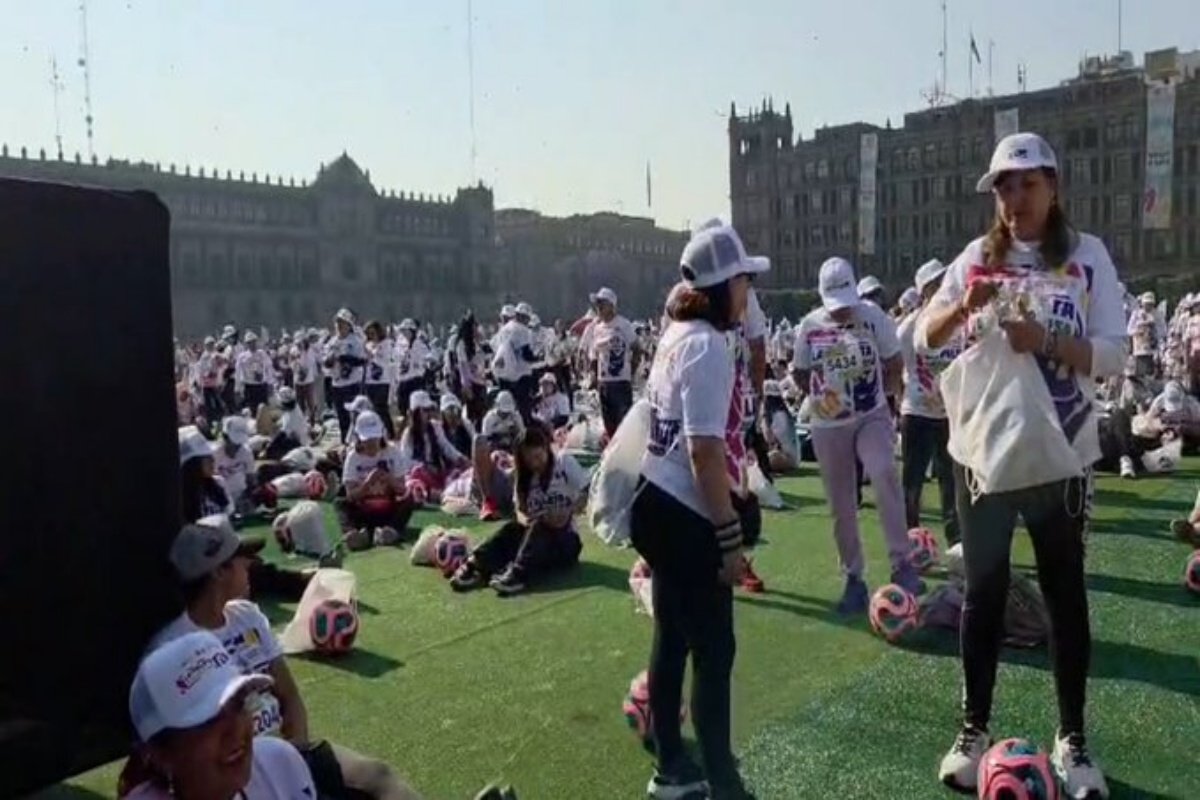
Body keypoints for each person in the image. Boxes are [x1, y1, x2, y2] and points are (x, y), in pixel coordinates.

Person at [921, 132, 1124, 797]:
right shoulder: (977, 257)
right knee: (984, 594)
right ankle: (972, 730)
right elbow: (924, 335)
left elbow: (1114, 354)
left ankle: (1074, 738)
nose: (1014, 198)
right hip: (983, 454)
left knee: (1065, 594)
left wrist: (1047, 341)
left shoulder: (1088, 257)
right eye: (1003, 187)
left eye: (1027, 183)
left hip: (1061, 450)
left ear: (1053, 186)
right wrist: (964, 305)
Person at [145, 517, 423, 800]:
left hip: (283, 756)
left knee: (378, 778)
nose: (251, 564)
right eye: (243, 559)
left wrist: (295, 757)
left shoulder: (247, 616)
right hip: (231, 771)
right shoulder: (171, 650)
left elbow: (289, 696)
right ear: (219, 571)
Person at [630, 222, 765, 800]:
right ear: (726, 284)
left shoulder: (676, 334)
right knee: (714, 649)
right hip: (685, 511)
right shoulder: (708, 345)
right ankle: (721, 780)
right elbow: (704, 452)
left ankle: (672, 767)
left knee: (671, 639)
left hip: (655, 500)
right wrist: (729, 538)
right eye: (745, 281)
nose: (749, 292)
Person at [792, 256, 923, 613]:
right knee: (841, 503)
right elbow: (799, 372)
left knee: (883, 471)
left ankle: (902, 563)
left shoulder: (873, 317)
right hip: (827, 423)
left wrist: (885, 398)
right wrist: (822, 395)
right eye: (835, 305)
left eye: (846, 303)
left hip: (870, 413)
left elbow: (894, 363)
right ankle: (853, 577)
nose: (841, 312)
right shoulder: (809, 326)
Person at [121, 631, 316, 799]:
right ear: (161, 755)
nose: (235, 728)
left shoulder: (280, 764)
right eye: (208, 720)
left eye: (238, 703)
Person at [449, 423, 586, 595]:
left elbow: (586, 492)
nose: (535, 464)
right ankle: (475, 565)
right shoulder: (525, 479)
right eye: (529, 461)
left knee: (540, 526)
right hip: (536, 539)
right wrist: (527, 521)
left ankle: (518, 575)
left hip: (566, 540)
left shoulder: (563, 462)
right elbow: (520, 511)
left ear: (546, 449)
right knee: (512, 529)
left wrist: (567, 512)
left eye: (538, 457)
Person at [897, 258, 962, 546]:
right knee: (912, 482)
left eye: (944, 281)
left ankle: (956, 540)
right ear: (924, 291)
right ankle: (909, 538)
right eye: (936, 284)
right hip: (917, 412)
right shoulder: (908, 329)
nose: (942, 288)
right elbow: (900, 368)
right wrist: (905, 399)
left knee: (951, 480)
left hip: (950, 414)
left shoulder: (957, 323)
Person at [336, 411, 416, 549]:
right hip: (363, 510)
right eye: (367, 441)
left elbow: (402, 489)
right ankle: (355, 534)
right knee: (340, 502)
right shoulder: (353, 457)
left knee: (410, 498)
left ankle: (390, 532)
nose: (371, 444)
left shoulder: (392, 452)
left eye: (374, 439)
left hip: (387, 508)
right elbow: (351, 494)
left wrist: (389, 479)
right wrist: (367, 483)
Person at [587, 287, 640, 437]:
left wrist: (631, 371)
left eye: (602, 304)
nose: (598, 308)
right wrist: (593, 374)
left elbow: (636, 348)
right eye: (597, 304)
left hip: (620, 381)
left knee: (623, 424)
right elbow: (594, 354)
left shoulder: (624, 325)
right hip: (604, 382)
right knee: (608, 423)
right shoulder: (597, 328)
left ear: (611, 306)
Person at [399, 390, 469, 498]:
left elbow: (447, 447)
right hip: (420, 473)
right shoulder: (408, 434)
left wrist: (461, 458)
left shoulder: (435, 427)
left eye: (429, 410)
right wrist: (425, 466)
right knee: (416, 473)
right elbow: (405, 462)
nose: (429, 414)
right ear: (416, 413)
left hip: (437, 471)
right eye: (425, 410)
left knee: (456, 471)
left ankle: (442, 491)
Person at [474, 391, 526, 521]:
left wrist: (514, 435)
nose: (505, 415)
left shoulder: (516, 417)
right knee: (479, 441)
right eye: (503, 413)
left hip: (512, 453)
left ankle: (522, 498)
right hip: (494, 452)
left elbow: (523, 437)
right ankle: (488, 501)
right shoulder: (489, 418)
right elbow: (486, 440)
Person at [325, 308, 368, 442]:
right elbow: (325, 362)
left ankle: (357, 441)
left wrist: (346, 359)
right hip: (336, 383)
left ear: (349, 325)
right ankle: (345, 442)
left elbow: (362, 361)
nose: (339, 326)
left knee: (354, 415)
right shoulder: (332, 342)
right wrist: (330, 361)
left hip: (352, 384)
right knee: (341, 416)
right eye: (337, 323)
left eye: (342, 323)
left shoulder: (355, 341)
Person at [363, 320, 396, 439]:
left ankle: (390, 433)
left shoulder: (386, 344)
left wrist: (370, 354)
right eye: (369, 333)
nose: (371, 336)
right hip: (369, 381)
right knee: (371, 409)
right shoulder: (368, 345)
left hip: (382, 381)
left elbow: (382, 359)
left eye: (373, 333)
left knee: (381, 408)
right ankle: (376, 434)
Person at [394, 318, 429, 420]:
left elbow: (427, 359)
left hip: (416, 380)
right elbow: (395, 360)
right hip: (402, 380)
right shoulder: (399, 345)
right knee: (402, 408)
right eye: (403, 331)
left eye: (407, 331)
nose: (405, 333)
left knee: (416, 408)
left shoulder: (420, 345)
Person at [235, 331, 275, 414]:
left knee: (264, 408)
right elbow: (238, 372)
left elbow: (269, 367)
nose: (252, 344)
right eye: (249, 342)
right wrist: (237, 388)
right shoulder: (242, 357)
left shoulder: (262, 353)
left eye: (253, 342)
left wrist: (270, 382)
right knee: (252, 408)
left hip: (261, 385)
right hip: (249, 386)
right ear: (246, 344)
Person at [439, 392, 477, 460]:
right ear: (443, 413)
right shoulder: (439, 429)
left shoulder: (466, 425)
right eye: (449, 410)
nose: (453, 414)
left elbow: (475, 441)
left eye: (455, 409)